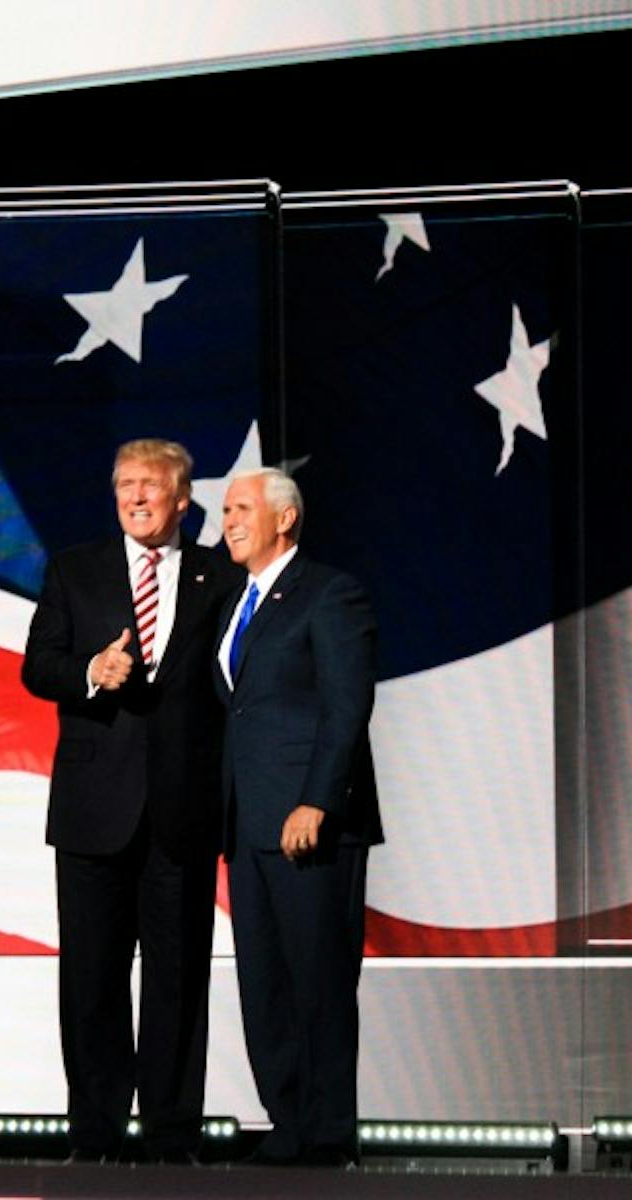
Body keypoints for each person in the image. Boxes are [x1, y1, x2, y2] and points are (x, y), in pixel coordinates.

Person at [21, 438, 242, 1164]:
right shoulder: (75, 570)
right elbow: (38, 667)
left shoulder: (219, 577)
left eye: (150, 486)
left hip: (182, 810)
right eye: (124, 485)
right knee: (92, 976)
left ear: (183, 499)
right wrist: (91, 670)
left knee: (178, 979)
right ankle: (95, 1129)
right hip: (93, 808)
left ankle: (174, 1130)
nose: (136, 497)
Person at [213, 467, 382, 1168]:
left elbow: (347, 707)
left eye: (241, 507)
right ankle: (287, 1123)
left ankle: (327, 1132)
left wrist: (316, 798)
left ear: (285, 519)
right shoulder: (234, 600)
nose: (227, 520)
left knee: (318, 981)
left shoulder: (329, 592)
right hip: (248, 825)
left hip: (311, 824)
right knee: (265, 983)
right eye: (223, 509)